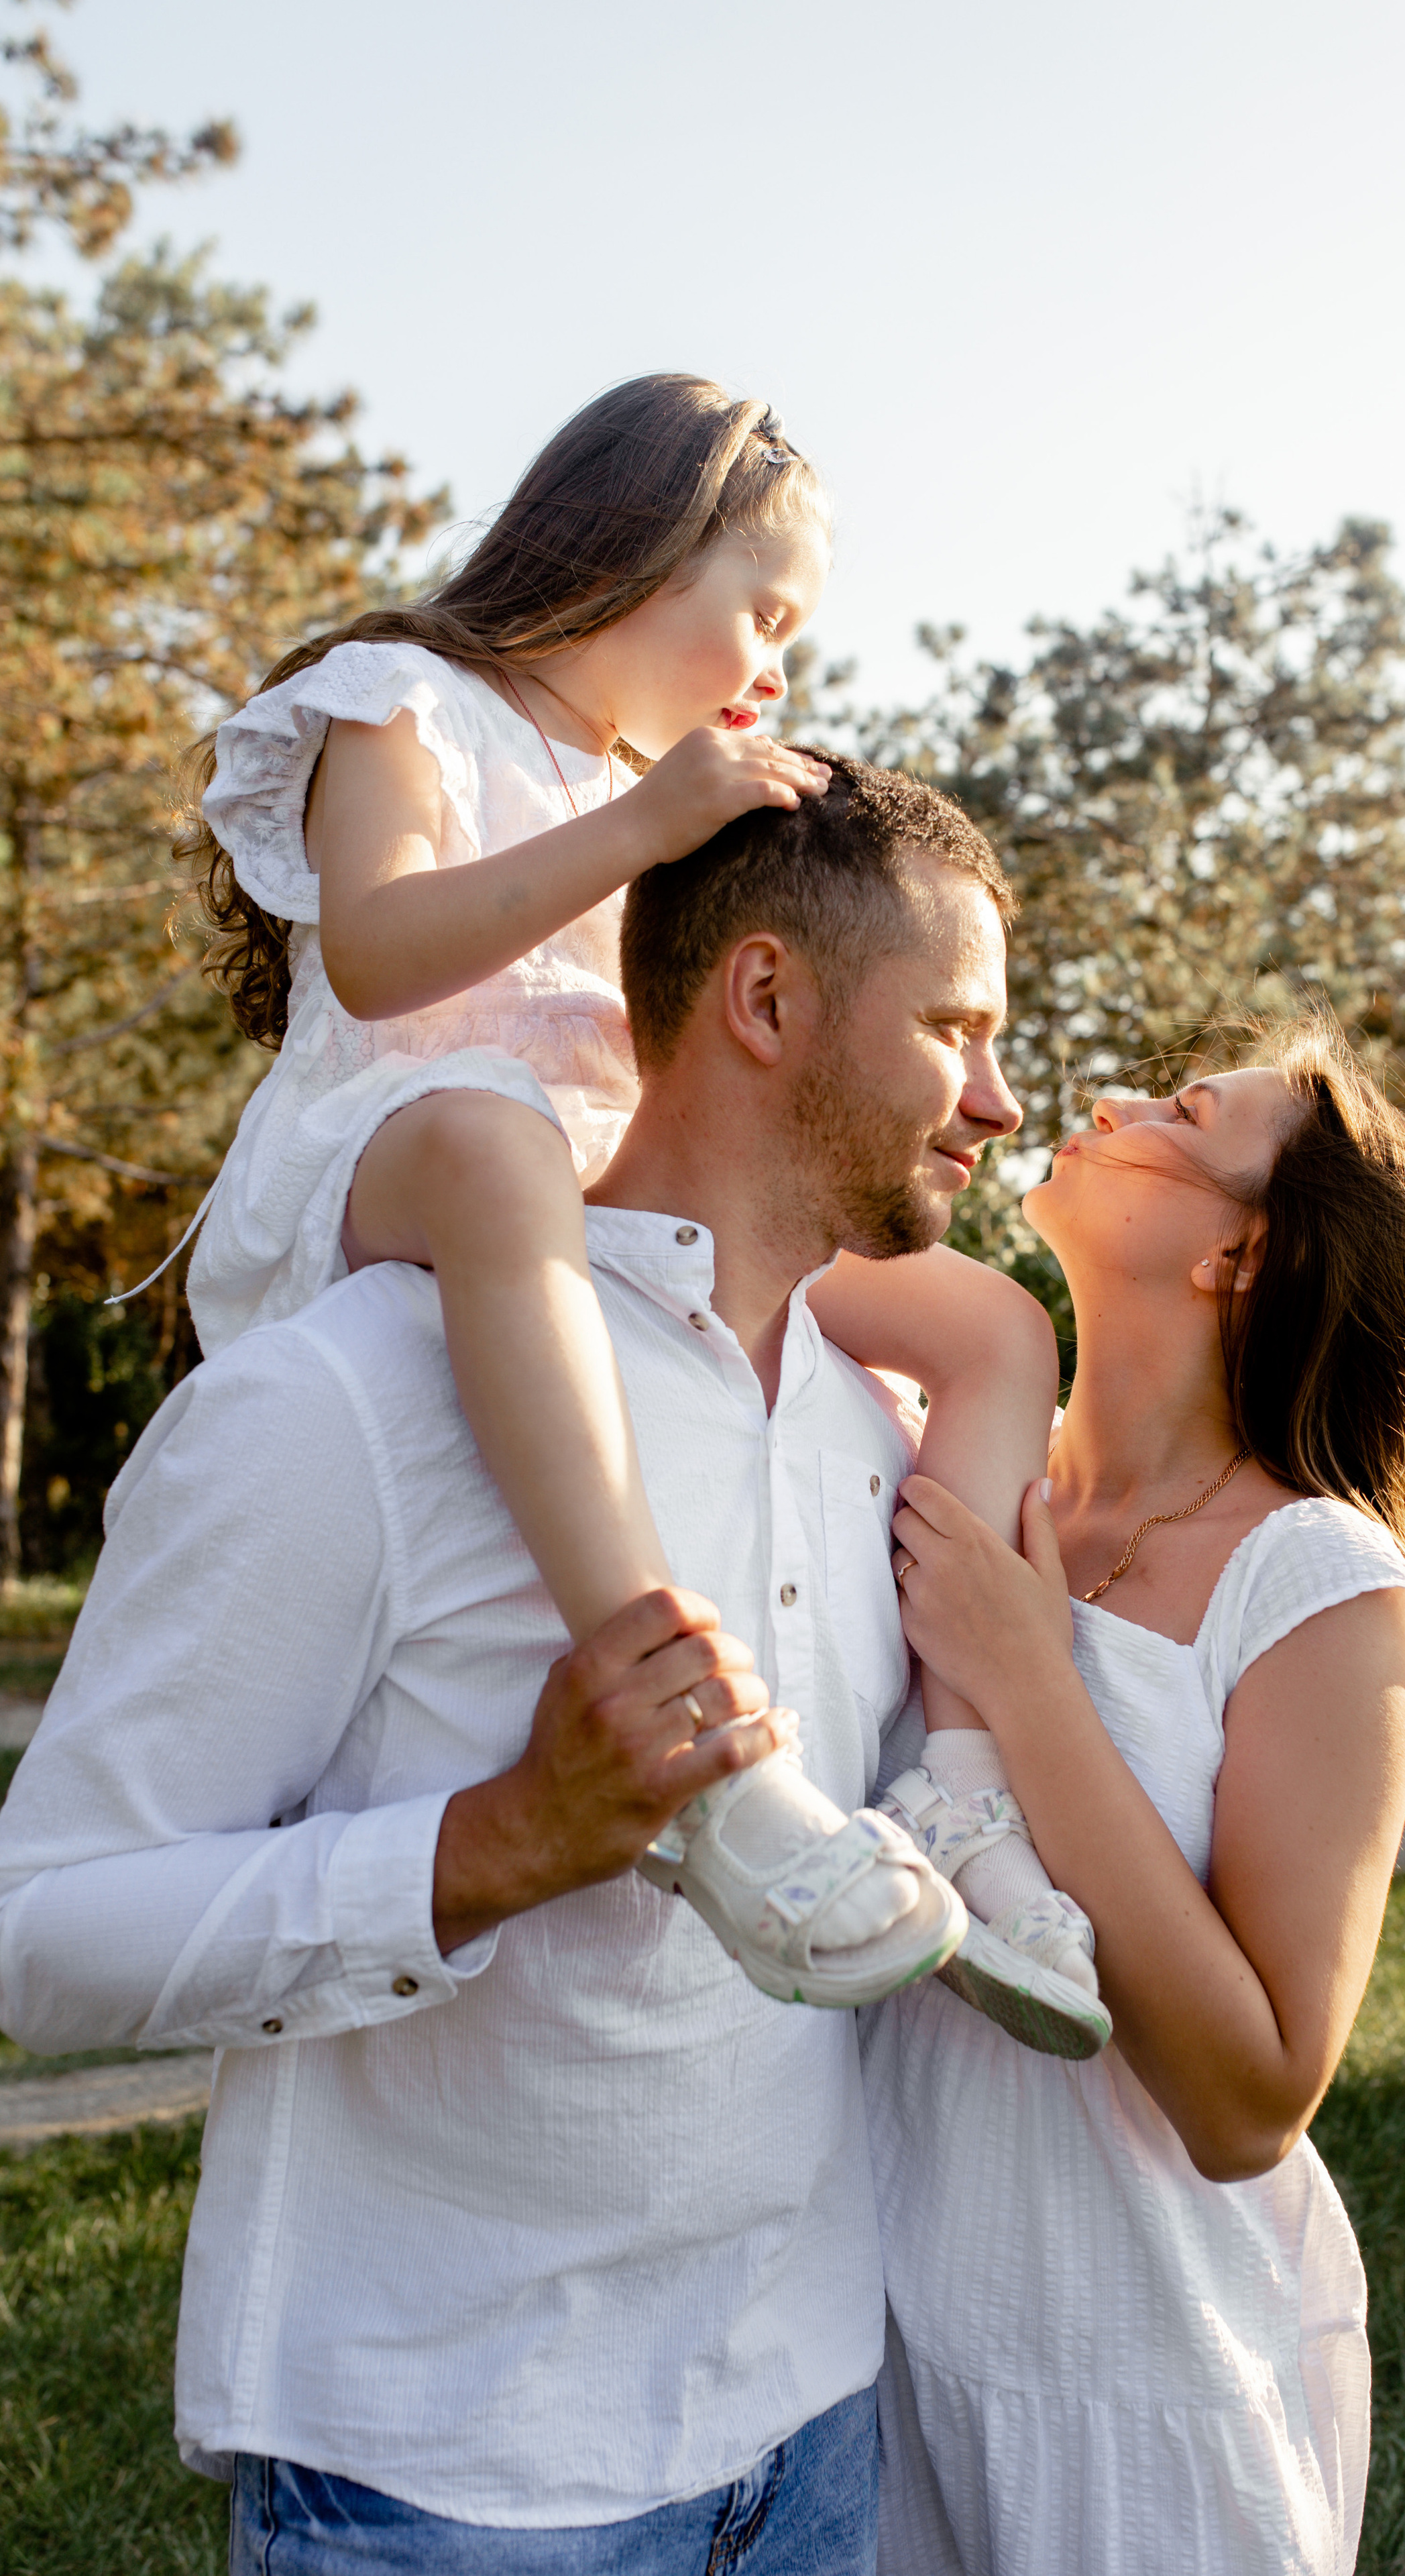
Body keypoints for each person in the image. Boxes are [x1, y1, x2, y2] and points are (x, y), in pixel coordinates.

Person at [0, 753, 1039, 2569]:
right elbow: (45, 1933)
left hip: (812, 2437)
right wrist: (490, 1848)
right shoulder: (357, 1397)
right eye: (956, 1030)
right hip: (447, 2484)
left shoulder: (866, 1431)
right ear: (769, 999)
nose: (1002, 1100)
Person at [173, 370, 1076, 2010]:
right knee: (499, 1141)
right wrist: (649, 823)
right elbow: (377, 960)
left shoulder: (648, 797)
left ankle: (956, 1786)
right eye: (764, 607)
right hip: (399, 1148)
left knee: (987, 1321)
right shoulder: (404, 701)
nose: (776, 660)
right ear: (649, 555)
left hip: (597, 1186)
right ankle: (689, 1726)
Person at [863, 1014, 1405, 2576]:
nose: (1104, 1097)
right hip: (871, 2343)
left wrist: (1024, 1680)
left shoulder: (1316, 1586)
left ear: (1242, 1255)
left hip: (1138, 2375)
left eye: (1180, 1109)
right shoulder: (932, 1450)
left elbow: (1250, 2096)